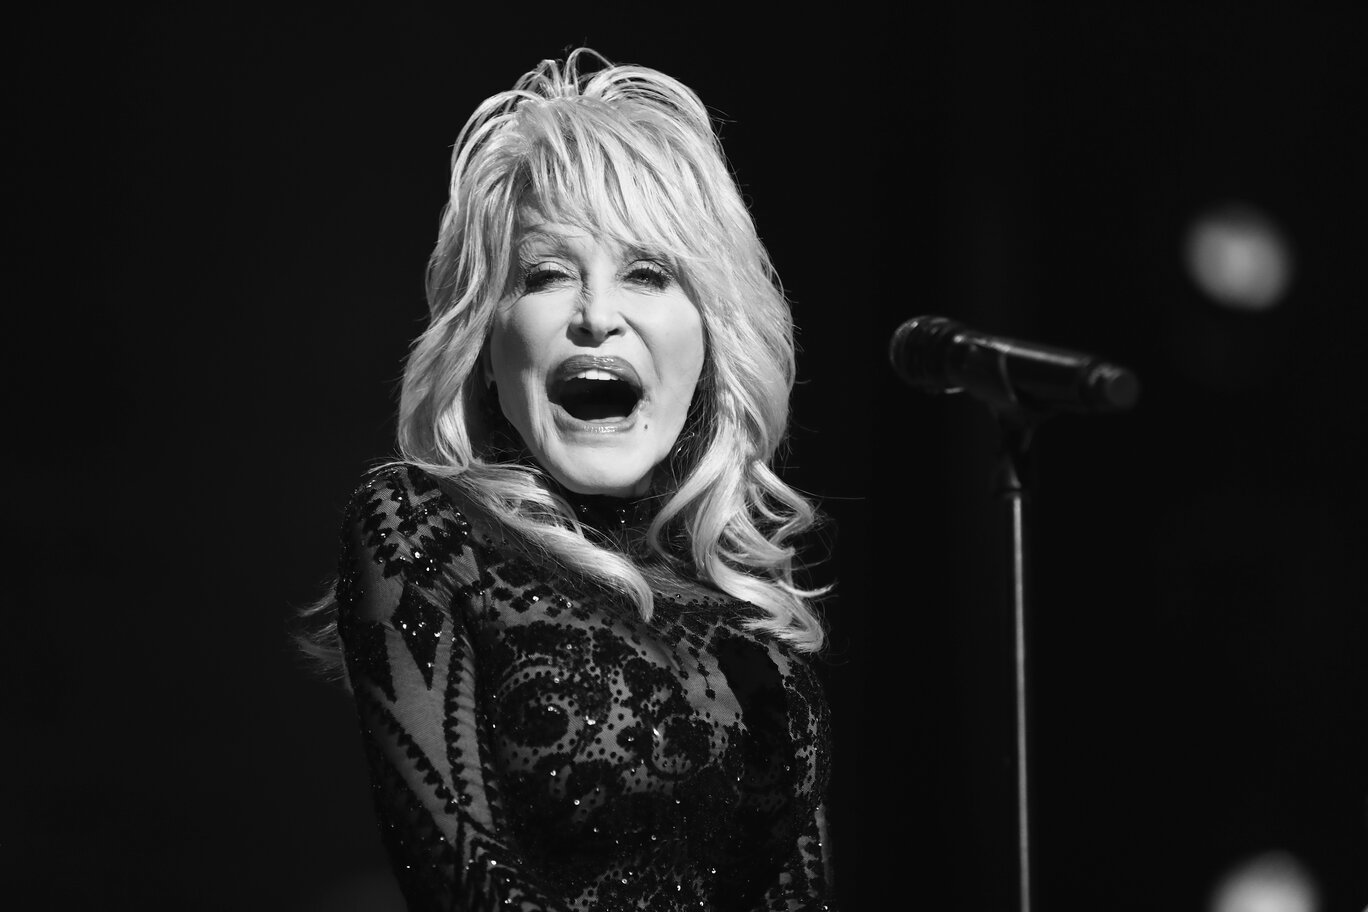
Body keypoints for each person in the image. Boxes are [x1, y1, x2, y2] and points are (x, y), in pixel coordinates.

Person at [301, 48, 837, 911]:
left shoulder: (749, 619)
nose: (594, 314)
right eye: (548, 275)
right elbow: (467, 885)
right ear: (484, 347)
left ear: (709, 340)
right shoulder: (424, 532)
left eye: (648, 273)